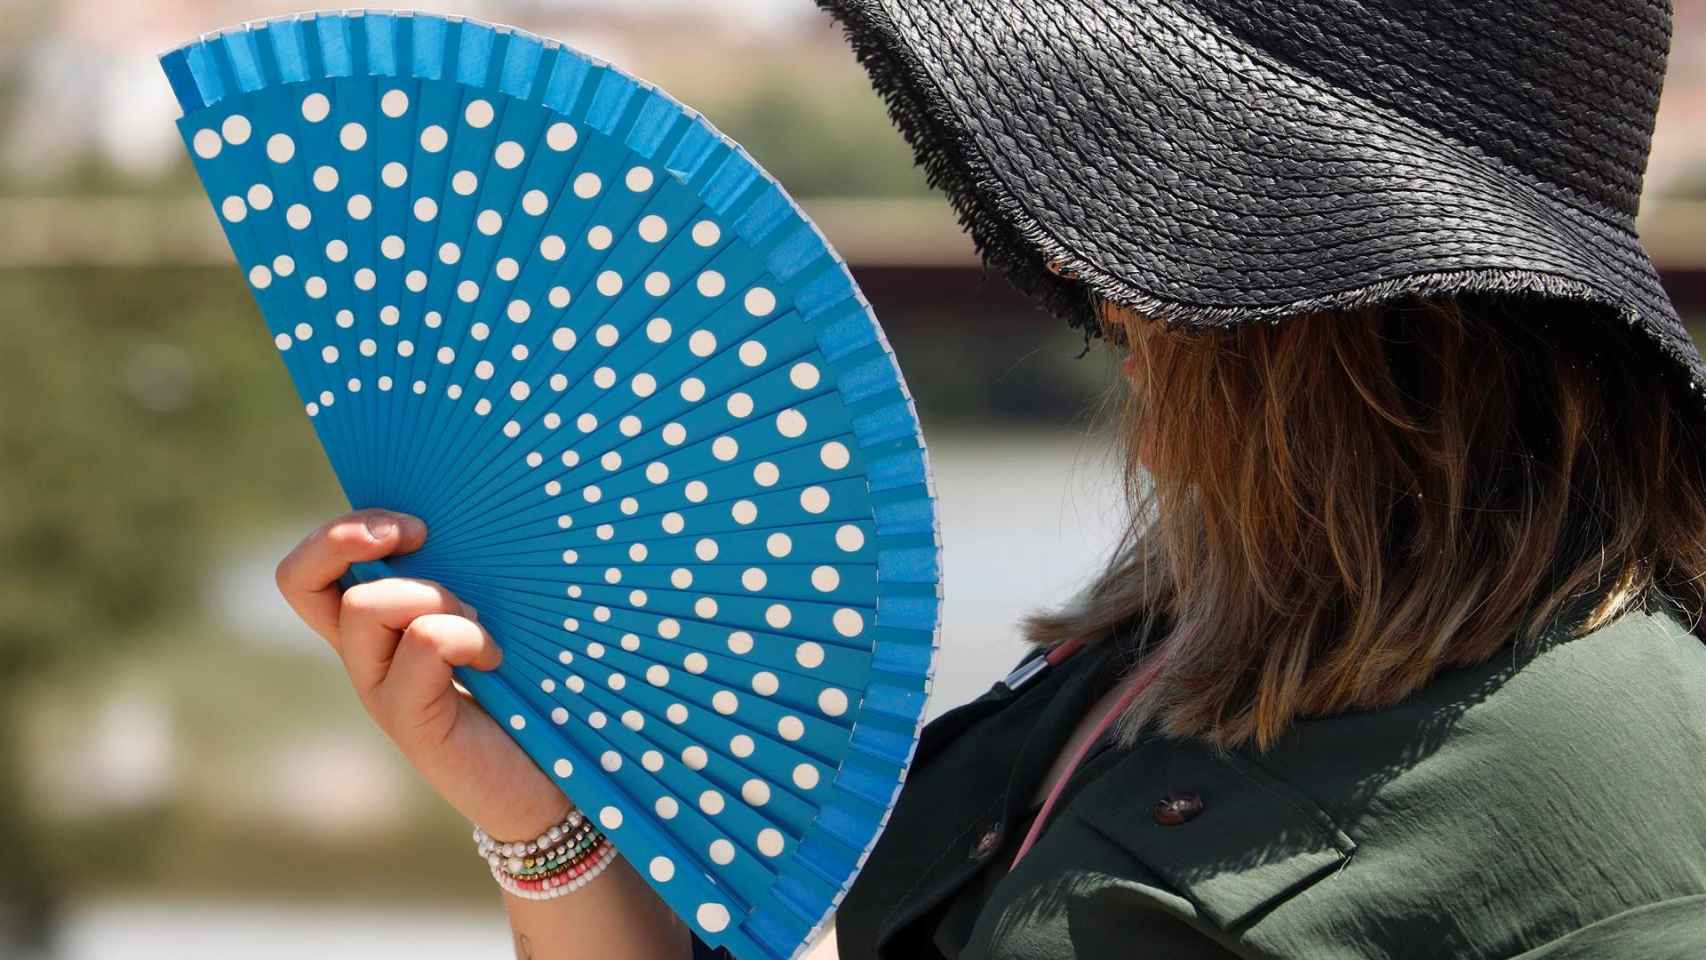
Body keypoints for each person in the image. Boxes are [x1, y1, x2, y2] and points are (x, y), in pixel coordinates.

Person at [275, 0, 1706, 957]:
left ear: (1367, 303)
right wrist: (543, 822)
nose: (1074, 269)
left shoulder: (1603, 774)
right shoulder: (1163, 643)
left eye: (1145, 195)